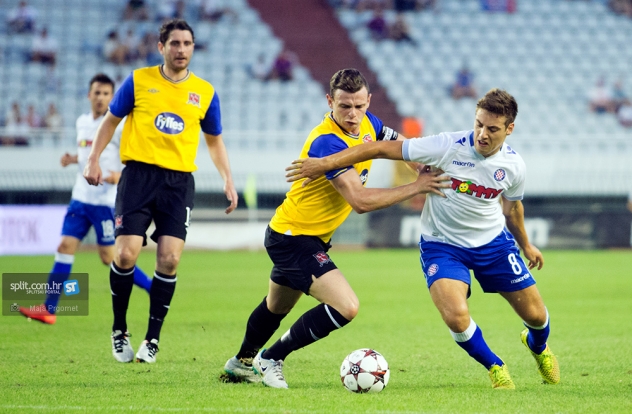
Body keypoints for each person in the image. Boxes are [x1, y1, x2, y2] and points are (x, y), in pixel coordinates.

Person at [286, 88, 560, 389]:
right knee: (456, 316)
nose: (482, 134)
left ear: (509, 129)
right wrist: (325, 163)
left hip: (493, 244)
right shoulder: (446, 146)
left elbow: (513, 208)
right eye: (479, 124)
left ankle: (537, 347)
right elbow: (379, 149)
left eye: (492, 129)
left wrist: (526, 245)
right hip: (442, 246)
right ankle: (495, 366)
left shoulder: (514, 166)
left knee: (536, 316)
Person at [222, 68, 450, 388]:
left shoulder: (369, 123)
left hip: (306, 235)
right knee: (346, 306)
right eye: (344, 106)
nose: (353, 115)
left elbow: (398, 143)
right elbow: (360, 201)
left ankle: (240, 363)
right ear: (330, 101)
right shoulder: (326, 142)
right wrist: (417, 187)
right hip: (293, 236)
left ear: (368, 101)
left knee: (277, 306)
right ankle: (270, 358)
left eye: (359, 106)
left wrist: (418, 166)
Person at [83, 19, 238, 364]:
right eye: (175, 44)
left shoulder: (205, 92)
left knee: (169, 259)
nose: (181, 50)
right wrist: (93, 159)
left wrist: (227, 178)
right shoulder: (138, 80)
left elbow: (214, 140)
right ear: (161, 47)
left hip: (178, 183)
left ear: (193, 48)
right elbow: (110, 121)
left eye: (187, 44)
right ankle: (119, 329)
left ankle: (152, 339)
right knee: (125, 255)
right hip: (138, 177)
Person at [19, 74, 152, 325]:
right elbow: (88, 153)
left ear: (112, 97)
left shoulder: (119, 125)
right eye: (97, 93)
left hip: (105, 202)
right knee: (64, 247)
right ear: (89, 95)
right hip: (80, 199)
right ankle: (49, 308)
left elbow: (135, 159)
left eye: (106, 94)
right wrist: (73, 159)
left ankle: (151, 287)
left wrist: (118, 176)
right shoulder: (82, 122)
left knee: (109, 257)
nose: (101, 98)